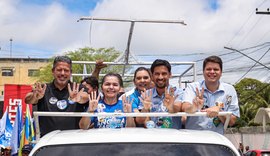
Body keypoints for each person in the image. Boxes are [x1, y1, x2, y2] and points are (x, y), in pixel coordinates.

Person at [25, 56, 89, 136]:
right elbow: (27, 99)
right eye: (59, 70)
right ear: (53, 71)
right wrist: (35, 96)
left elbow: (86, 97)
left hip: (73, 139)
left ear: (70, 72)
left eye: (66, 70)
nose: (62, 73)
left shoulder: (77, 88)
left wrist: (78, 98)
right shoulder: (43, 88)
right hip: (47, 140)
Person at [182, 55, 240, 134]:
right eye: (208, 69)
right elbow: (185, 107)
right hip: (193, 139)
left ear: (221, 72)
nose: (212, 72)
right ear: (203, 72)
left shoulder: (230, 90)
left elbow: (232, 121)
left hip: (216, 141)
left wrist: (219, 111)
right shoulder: (192, 87)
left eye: (216, 69)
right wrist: (194, 106)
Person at [136, 59, 183, 129]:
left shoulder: (178, 92)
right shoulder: (146, 94)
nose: (160, 77)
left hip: (173, 137)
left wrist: (171, 107)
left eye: (164, 74)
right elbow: (139, 121)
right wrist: (145, 109)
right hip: (153, 137)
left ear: (170, 75)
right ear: (152, 76)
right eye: (157, 74)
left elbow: (177, 108)